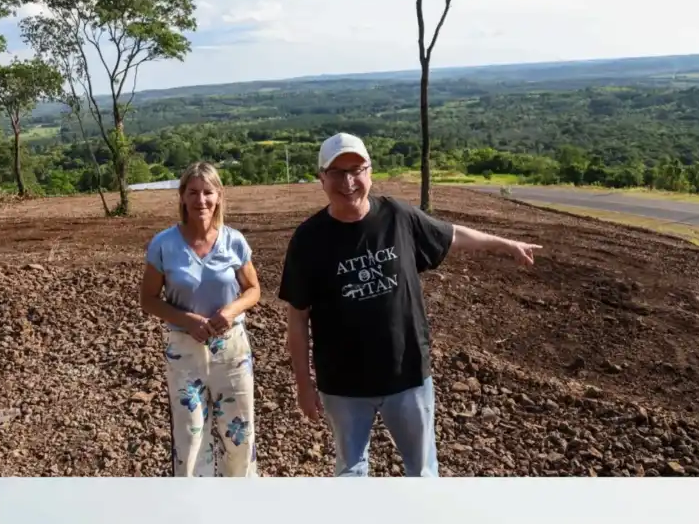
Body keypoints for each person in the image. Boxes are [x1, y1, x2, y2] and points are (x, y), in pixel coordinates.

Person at [278, 132, 543, 477]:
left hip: (407, 375)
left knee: (421, 471)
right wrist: (303, 383)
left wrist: (504, 244)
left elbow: (451, 235)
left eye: (357, 170)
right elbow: (297, 318)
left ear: (370, 171)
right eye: (338, 172)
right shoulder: (308, 239)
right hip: (343, 384)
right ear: (322, 178)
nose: (349, 181)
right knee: (351, 471)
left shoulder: (397, 217)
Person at [140, 162, 261, 477]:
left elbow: (253, 290)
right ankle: (195, 511)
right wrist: (187, 319)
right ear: (181, 197)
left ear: (219, 196)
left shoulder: (234, 241)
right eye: (193, 192)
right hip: (185, 351)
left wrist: (230, 311)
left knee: (240, 434)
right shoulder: (164, 245)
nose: (201, 200)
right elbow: (148, 299)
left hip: (232, 349)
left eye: (208, 192)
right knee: (191, 436)